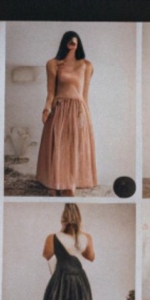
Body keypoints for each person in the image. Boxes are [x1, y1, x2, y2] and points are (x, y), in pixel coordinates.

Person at [37, 31, 97, 196]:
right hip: (60, 108)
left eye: (75, 41)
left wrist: (86, 115)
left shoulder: (86, 65)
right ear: (64, 42)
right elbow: (50, 92)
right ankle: (54, 183)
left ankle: (69, 184)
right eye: (69, 41)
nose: (72, 43)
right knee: (58, 146)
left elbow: (84, 95)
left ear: (79, 44)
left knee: (73, 147)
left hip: (78, 109)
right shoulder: (53, 64)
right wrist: (46, 109)